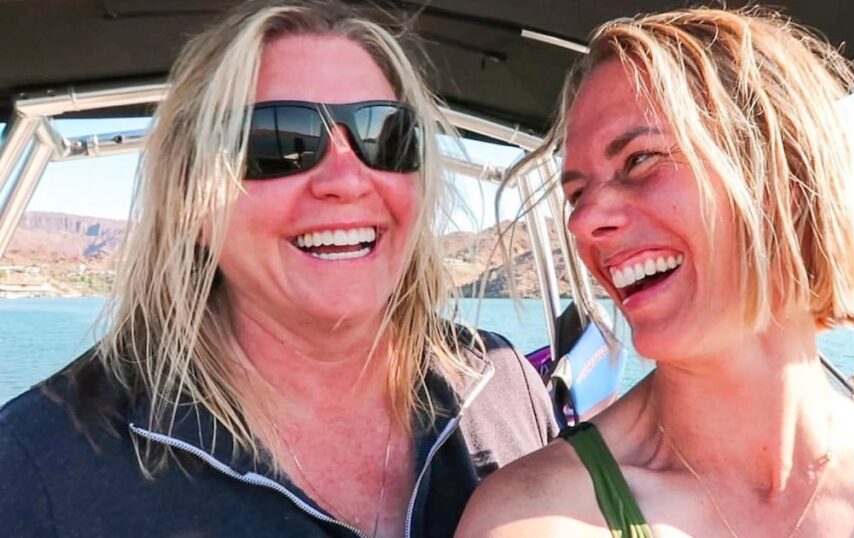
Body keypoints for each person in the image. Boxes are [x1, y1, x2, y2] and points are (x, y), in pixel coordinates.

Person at [458, 7, 854, 538]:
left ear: (784, 178)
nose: (582, 222)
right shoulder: (540, 516)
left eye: (639, 160)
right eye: (576, 193)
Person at [0, 1, 556, 536]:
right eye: (278, 142)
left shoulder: (504, 387)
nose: (347, 180)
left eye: (384, 136)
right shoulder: (39, 467)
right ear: (190, 197)